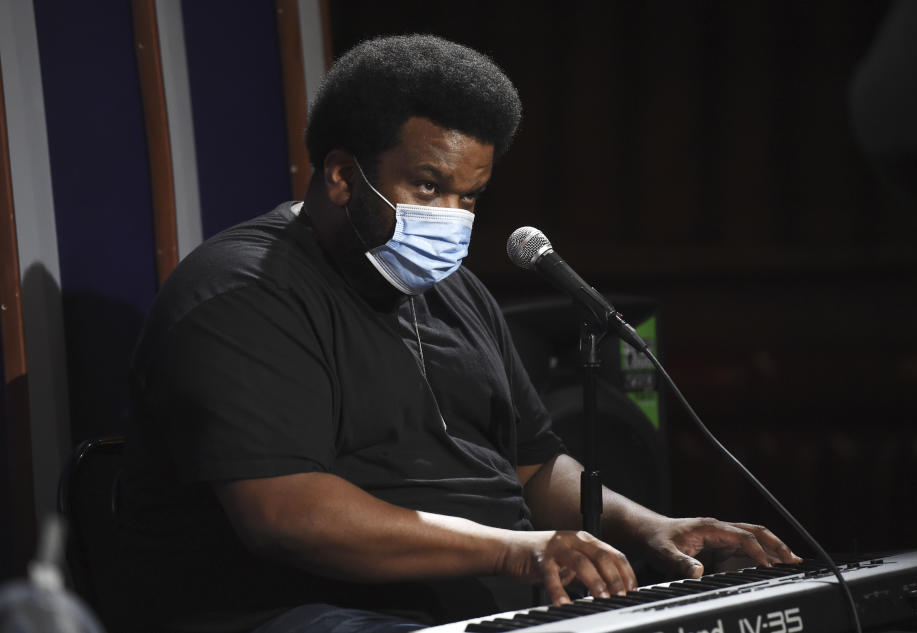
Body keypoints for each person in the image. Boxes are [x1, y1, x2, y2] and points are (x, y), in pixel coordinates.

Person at [118, 34, 800, 633]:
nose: (452, 218)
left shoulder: (457, 292)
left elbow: (533, 467)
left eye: (469, 195)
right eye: (428, 186)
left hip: (484, 606)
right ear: (342, 176)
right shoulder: (242, 292)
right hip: (308, 611)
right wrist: (517, 549)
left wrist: (650, 526)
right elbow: (286, 512)